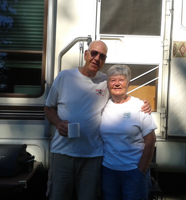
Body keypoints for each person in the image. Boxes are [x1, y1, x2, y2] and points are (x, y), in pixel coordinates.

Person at [44, 41, 151, 200]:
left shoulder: (105, 81)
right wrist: (58, 123)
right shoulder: (64, 77)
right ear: (86, 54)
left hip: (92, 156)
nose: (96, 58)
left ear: (104, 61)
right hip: (62, 153)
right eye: (93, 53)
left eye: (102, 56)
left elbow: (120, 92)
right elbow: (48, 108)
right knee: (58, 196)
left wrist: (143, 103)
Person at [100, 65, 157, 200]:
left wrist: (141, 171)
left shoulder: (139, 106)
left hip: (133, 171)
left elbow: (150, 141)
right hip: (109, 171)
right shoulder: (103, 106)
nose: (117, 84)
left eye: (121, 80)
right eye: (113, 80)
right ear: (108, 84)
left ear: (128, 83)